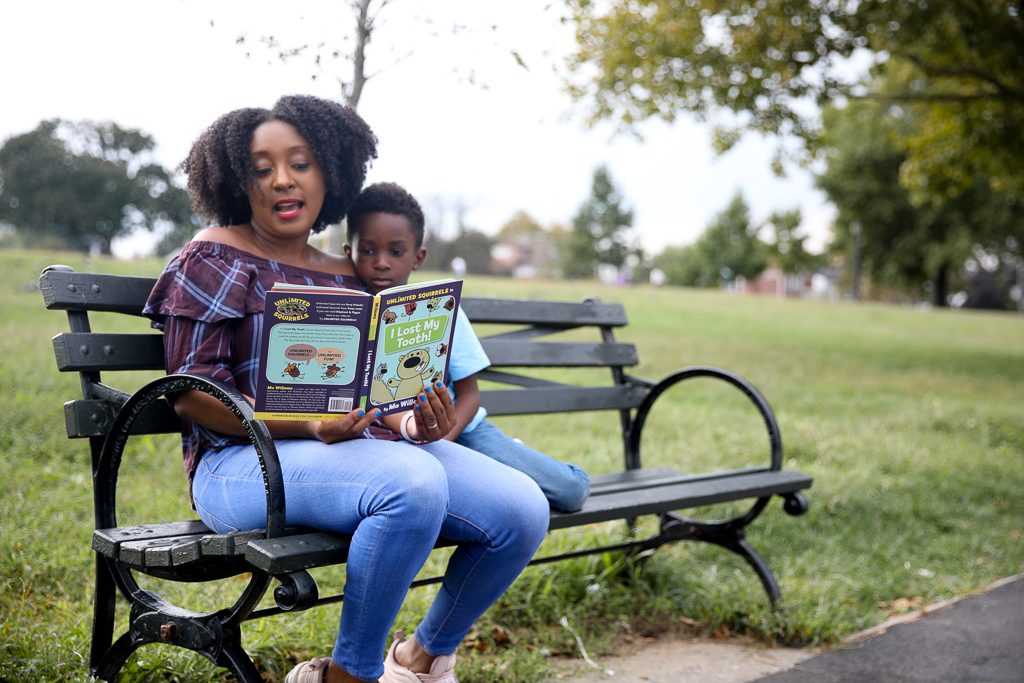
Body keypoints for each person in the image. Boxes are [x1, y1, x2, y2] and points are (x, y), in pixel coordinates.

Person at [142, 95, 549, 683]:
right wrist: (307, 424)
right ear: (238, 179)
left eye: (300, 163)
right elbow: (191, 395)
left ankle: (423, 657)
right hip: (240, 464)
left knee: (521, 507)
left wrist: (418, 419)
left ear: (331, 171)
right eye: (262, 168)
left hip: (356, 451)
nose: (283, 180)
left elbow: (375, 384)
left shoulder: (347, 274)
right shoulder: (214, 257)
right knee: (413, 481)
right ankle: (350, 674)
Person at [344, 182, 591, 513]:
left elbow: (470, 396)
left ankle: (517, 455)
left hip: (459, 431)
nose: (381, 263)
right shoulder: (346, 314)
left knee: (570, 492)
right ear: (349, 252)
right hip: (394, 445)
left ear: (418, 257)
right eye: (368, 250)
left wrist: (440, 441)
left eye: (396, 251)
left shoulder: (442, 309)